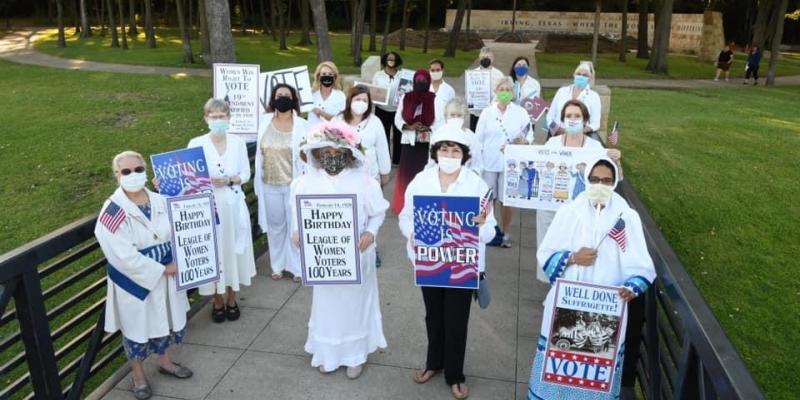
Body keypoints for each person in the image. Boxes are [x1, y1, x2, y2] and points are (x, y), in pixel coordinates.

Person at [527, 157, 656, 400]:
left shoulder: (626, 217)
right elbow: (545, 253)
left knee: (596, 369)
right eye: (595, 179)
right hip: (568, 303)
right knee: (560, 364)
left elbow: (643, 266)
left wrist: (632, 286)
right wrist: (572, 258)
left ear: (615, 182)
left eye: (607, 181)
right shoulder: (569, 211)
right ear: (587, 180)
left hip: (606, 309)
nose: (600, 185)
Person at [398, 125, 498, 400]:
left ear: (464, 155)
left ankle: (455, 374)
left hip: (462, 265)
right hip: (429, 262)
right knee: (433, 315)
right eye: (444, 149)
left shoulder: (477, 184)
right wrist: (413, 233)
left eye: (456, 150)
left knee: (456, 319)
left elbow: (491, 230)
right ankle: (434, 363)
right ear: (436, 152)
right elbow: (406, 217)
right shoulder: (421, 180)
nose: (450, 154)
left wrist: (480, 225)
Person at [290, 121, 389, 379]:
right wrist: (298, 233)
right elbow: (298, 216)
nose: (332, 159)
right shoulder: (303, 184)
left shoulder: (365, 183)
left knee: (354, 306)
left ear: (348, 155)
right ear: (317, 155)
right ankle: (328, 353)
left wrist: (370, 232)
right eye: (326, 155)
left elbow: (377, 214)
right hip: (324, 259)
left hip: (357, 255)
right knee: (327, 307)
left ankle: (355, 355)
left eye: (337, 154)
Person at [95, 151, 192, 400]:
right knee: (136, 328)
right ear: (117, 176)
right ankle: (138, 375)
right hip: (135, 280)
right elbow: (120, 254)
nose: (133, 175)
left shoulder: (160, 200)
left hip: (168, 273)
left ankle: (165, 362)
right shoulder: (114, 210)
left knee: (166, 319)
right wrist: (160, 269)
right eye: (126, 171)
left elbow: (184, 224)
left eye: (138, 169)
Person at [535, 99, 621, 282]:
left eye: (577, 116)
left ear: (585, 120)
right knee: (552, 247)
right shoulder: (552, 145)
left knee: (576, 248)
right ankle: (552, 288)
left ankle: (571, 287)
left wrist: (616, 160)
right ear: (563, 120)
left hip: (581, 210)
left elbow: (615, 178)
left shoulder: (595, 148)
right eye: (568, 116)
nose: (572, 119)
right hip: (551, 208)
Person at [189, 99, 257, 323]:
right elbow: (189, 176)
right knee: (215, 253)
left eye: (222, 115)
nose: (218, 120)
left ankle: (232, 298)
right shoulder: (196, 143)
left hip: (233, 204)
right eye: (213, 116)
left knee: (234, 250)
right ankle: (216, 299)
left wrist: (228, 180)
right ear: (206, 118)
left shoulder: (237, 143)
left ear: (229, 117)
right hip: (209, 207)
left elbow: (245, 174)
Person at [255, 84, 309, 282]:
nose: (283, 98)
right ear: (273, 99)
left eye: (287, 95)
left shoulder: (302, 125)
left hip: (293, 185)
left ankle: (297, 267)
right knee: (276, 226)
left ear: (294, 99)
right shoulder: (263, 122)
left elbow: (308, 155)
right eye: (279, 95)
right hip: (269, 183)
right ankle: (277, 265)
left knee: (295, 226)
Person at [334, 84, 392, 267]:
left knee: (370, 214)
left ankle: (371, 248)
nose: (360, 103)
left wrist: (385, 172)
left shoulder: (375, 122)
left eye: (364, 100)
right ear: (350, 100)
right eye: (357, 99)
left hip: (369, 177)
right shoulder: (337, 120)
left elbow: (382, 147)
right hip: (344, 177)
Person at [475, 77, 532, 248]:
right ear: (496, 91)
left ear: (513, 93)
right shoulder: (487, 112)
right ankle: (489, 230)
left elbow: (529, 134)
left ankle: (505, 231)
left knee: (506, 200)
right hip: (489, 161)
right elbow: (478, 138)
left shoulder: (520, 112)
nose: (505, 93)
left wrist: (524, 142)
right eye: (502, 89)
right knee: (488, 198)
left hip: (511, 163)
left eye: (508, 90)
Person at [390, 69, 437, 214]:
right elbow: (397, 118)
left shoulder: (434, 98)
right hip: (409, 142)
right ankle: (403, 205)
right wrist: (409, 126)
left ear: (428, 82)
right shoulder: (406, 97)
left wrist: (428, 128)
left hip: (426, 144)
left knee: (424, 175)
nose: (420, 83)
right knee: (406, 174)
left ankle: (423, 207)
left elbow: (439, 119)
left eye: (423, 81)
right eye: (418, 80)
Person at [546, 62, 602, 140]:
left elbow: (596, 123)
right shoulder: (562, 91)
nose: (581, 77)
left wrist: (579, 132)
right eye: (578, 74)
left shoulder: (593, 96)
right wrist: (557, 130)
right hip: (558, 133)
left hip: (581, 135)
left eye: (585, 75)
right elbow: (550, 115)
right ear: (574, 75)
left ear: (590, 78)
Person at [372, 51, 404, 164]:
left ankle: (397, 160)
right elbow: (374, 91)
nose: (391, 61)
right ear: (385, 60)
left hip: (398, 110)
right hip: (382, 110)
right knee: (383, 135)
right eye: (389, 59)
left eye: (393, 59)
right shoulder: (378, 75)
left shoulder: (402, 75)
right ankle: (384, 160)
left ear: (397, 61)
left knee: (398, 135)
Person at [469, 47, 506, 131]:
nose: (485, 59)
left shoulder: (499, 75)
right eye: (482, 57)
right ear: (479, 58)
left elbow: (502, 92)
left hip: (493, 113)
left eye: (488, 57)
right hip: (476, 113)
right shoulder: (472, 74)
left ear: (492, 59)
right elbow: (469, 93)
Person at [308, 61, 346, 126]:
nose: (327, 76)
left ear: (334, 77)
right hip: (311, 133)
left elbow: (342, 119)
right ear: (318, 76)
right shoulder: (310, 94)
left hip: (332, 134)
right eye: (324, 74)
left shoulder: (340, 96)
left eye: (330, 74)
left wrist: (322, 114)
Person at [429, 59, 457, 132]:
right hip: (427, 129)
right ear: (429, 71)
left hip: (443, 129)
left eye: (438, 70)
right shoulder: (425, 88)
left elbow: (453, 112)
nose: (435, 72)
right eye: (433, 70)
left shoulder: (449, 90)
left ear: (442, 70)